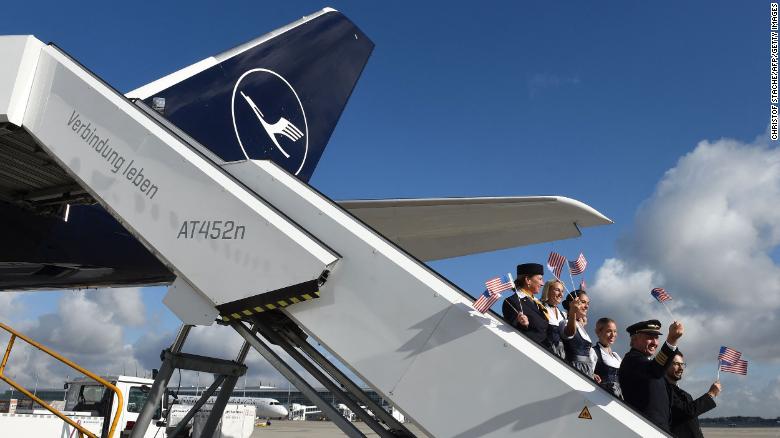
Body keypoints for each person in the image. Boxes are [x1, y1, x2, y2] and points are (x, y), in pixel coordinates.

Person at [619, 319, 684, 433]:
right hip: (645, 429)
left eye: (657, 337)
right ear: (635, 338)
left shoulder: (646, 362)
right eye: (650, 337)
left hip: (657, 430)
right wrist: (672, 340)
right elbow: (655, 370)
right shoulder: (632, 360)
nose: (655, 342)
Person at [666, 351, 721, 438]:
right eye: (677, 364)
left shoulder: (686, 394)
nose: (681, 368)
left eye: (682, 364)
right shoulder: (663, 390)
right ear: (665, 365)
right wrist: (711, 394)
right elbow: (685, 411)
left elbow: (694, 423)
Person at [502, 263, 549, 348]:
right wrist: (524, 325)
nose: (542, 283)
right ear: (528, 280)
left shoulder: (537, 303)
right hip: (530, 350)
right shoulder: (512, 301)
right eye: (540, 279)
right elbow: (510, 330)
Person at [561, 290, 600, 382]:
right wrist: (573, 313)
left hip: (587, 371)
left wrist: (591, 373)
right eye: (583, 302)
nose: (586, 306)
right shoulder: (565, 322)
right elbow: (569, 332)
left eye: (588, 304)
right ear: (572, 304)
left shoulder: (582, 327)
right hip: (573, 369)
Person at [593, 317, 622, 398]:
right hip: (600, 396)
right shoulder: (593, 351)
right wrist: (592, 375)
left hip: (618, 398)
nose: (613, 335)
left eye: (615, 331)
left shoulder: (616, 356)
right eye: (609, 331)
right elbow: (587, 372)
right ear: (598, 332)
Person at [541, 280, 566, 358]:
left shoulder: (563, 314)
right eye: (557, 290)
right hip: (546, 351)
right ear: (548, 290)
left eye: (562, 291)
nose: (561, 294)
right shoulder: (540, 307)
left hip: (562, 354)